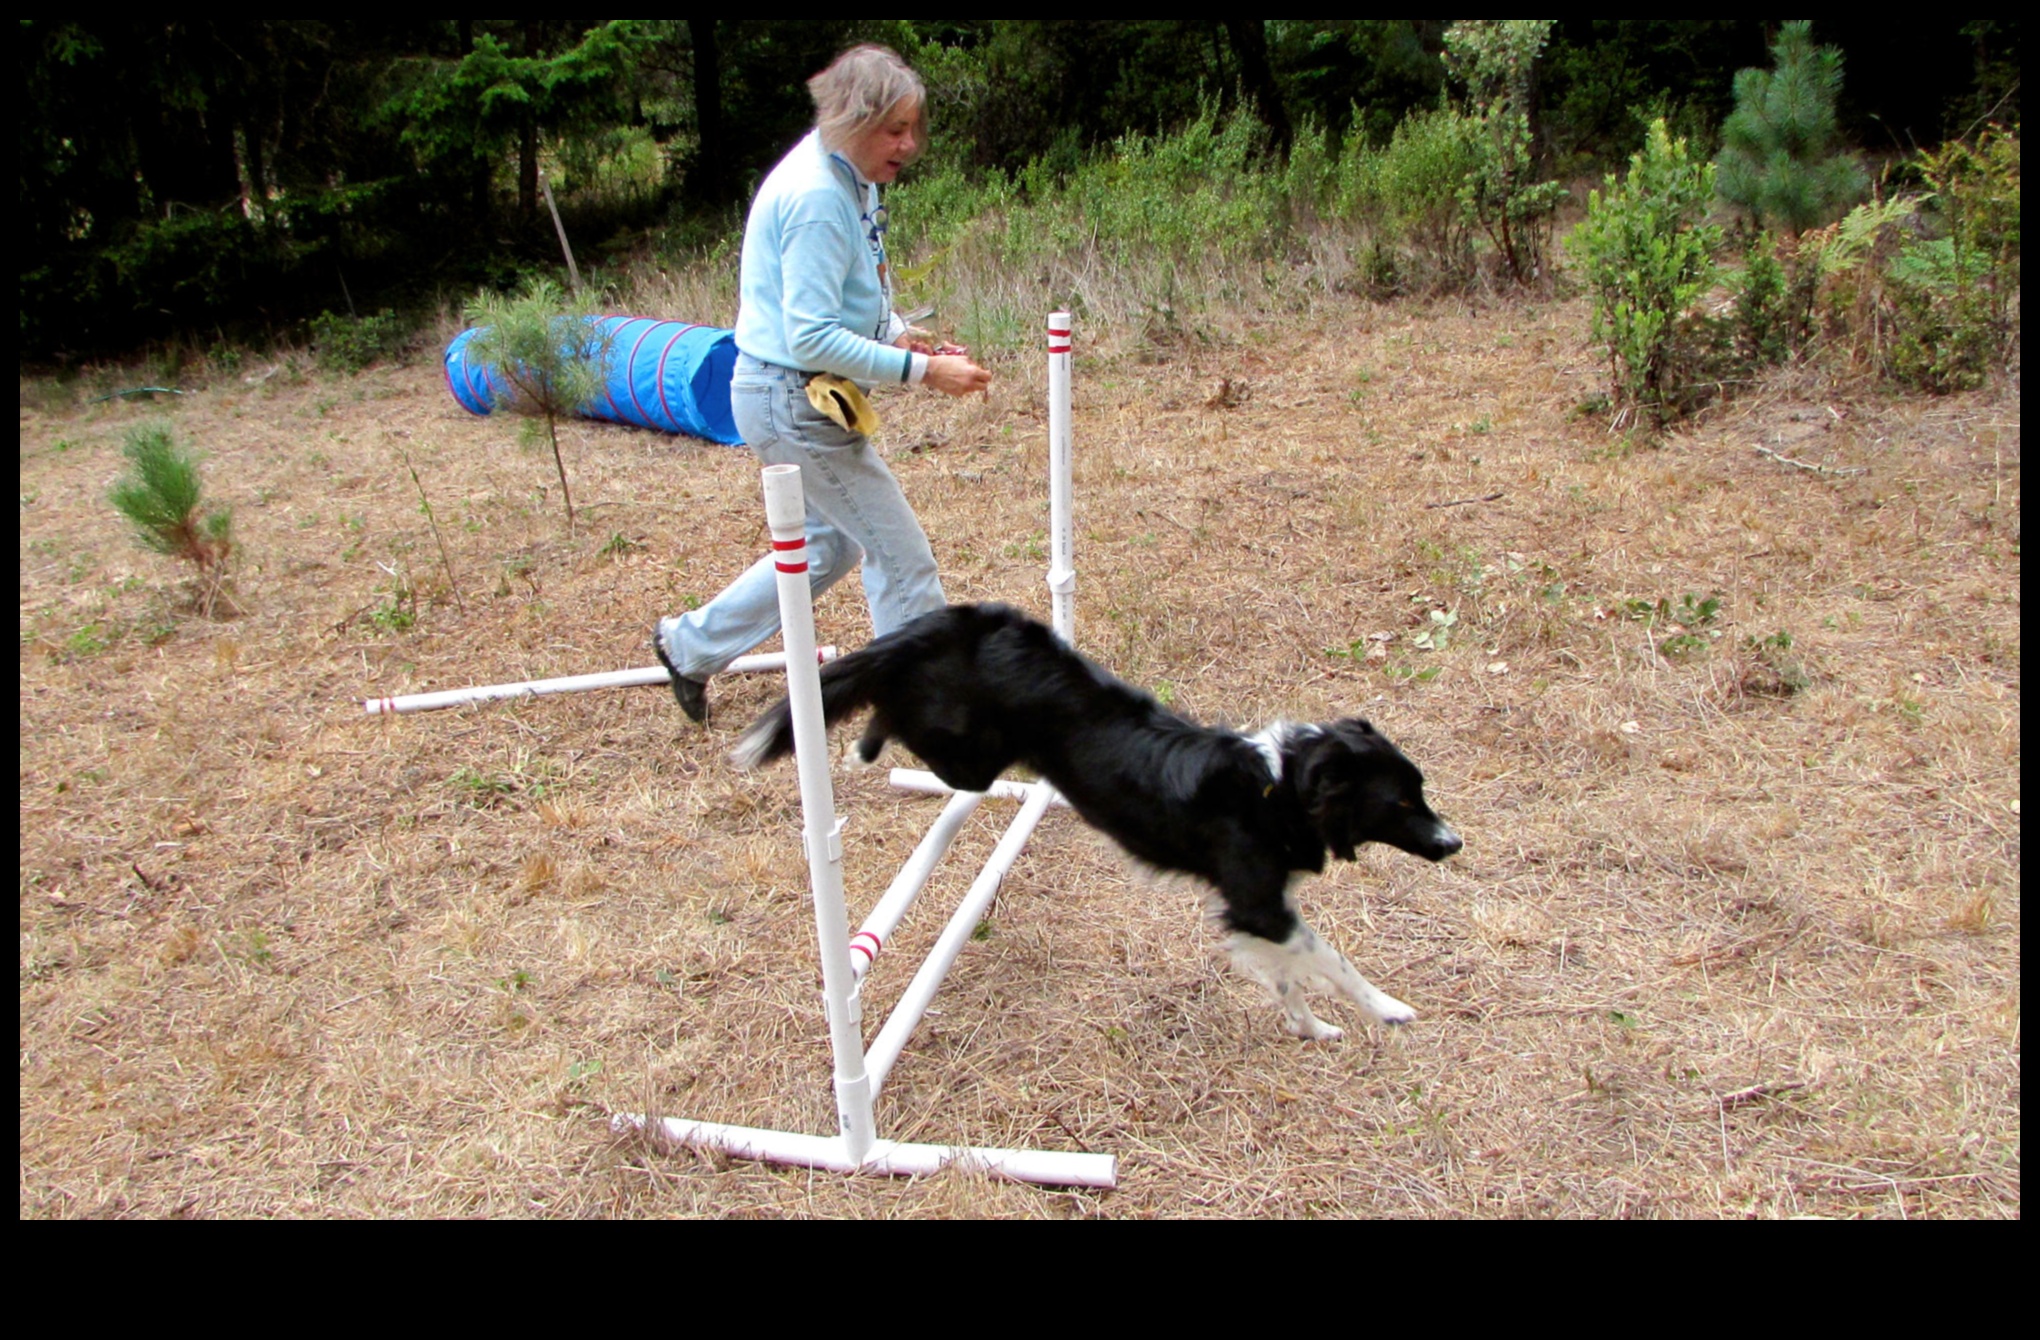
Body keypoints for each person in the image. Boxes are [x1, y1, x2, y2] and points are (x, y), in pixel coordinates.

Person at [653, 44, 992, 723]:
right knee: (902, 559)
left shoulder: (848, 178)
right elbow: (808, 335)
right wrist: (924, 372)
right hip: (787, 396)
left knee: (827, 543)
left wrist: (893, 329)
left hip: (792, 392)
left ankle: (687, 647)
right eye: (895, 129)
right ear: (852, 121)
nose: (909, 144)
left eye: (913, 126)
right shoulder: (813, 196)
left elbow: (840, 293)